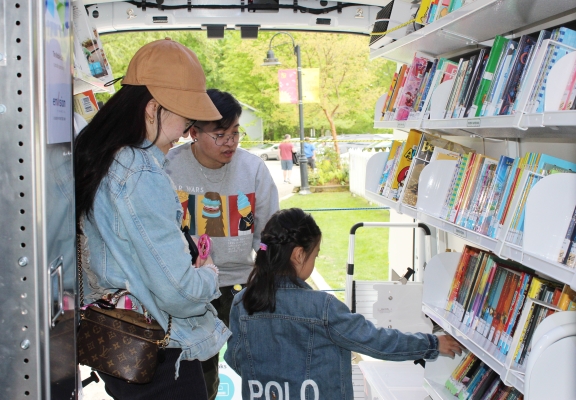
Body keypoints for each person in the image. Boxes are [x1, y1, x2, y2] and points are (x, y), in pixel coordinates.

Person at [74, 38, 229, 400]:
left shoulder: (104, 156)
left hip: (123, 345)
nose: (187, 130)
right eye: (186, 117)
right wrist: (208, 276)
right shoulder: (139, 171)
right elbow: (179, 292)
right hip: (161, 355)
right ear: (152, 108)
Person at [225, 208, 463, 399]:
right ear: (299, 255)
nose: (315, 261)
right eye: (315, 255)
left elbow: (235, 359)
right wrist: (432, 344)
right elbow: (376, 341)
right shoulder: (322, 308)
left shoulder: (241, 303)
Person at [165, 89, 279, 399]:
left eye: (235, 132)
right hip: (192, 288)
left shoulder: (253, 169)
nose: (230, 141)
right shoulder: (169, 166)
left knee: (260, 366)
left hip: (242, 284)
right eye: (219, 134)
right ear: (193, 133)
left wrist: (268, 275)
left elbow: (268, 233)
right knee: (201, 376)